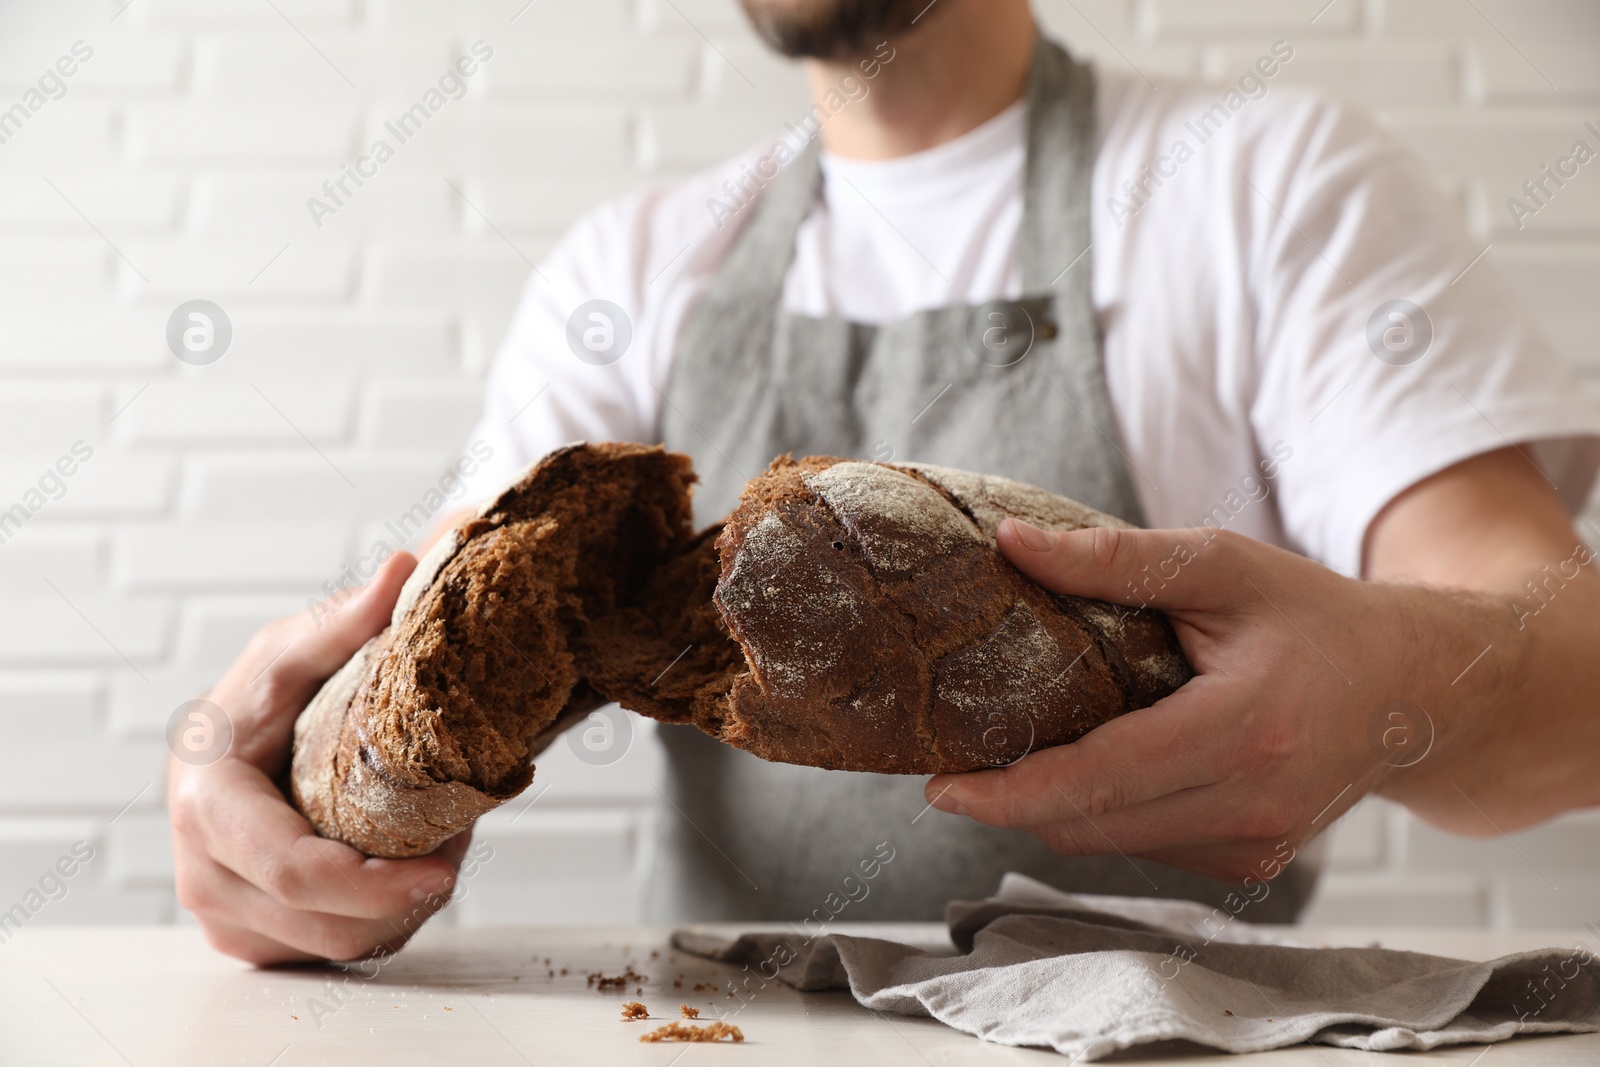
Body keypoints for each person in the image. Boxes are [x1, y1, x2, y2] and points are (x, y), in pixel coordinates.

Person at [170, 0, 1600, 964]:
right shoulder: (633, 271)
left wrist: (1402, 689)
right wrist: (287, 801)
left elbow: (1572, 685)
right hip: (714, 1044)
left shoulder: (1272, 187)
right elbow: (427, 659)